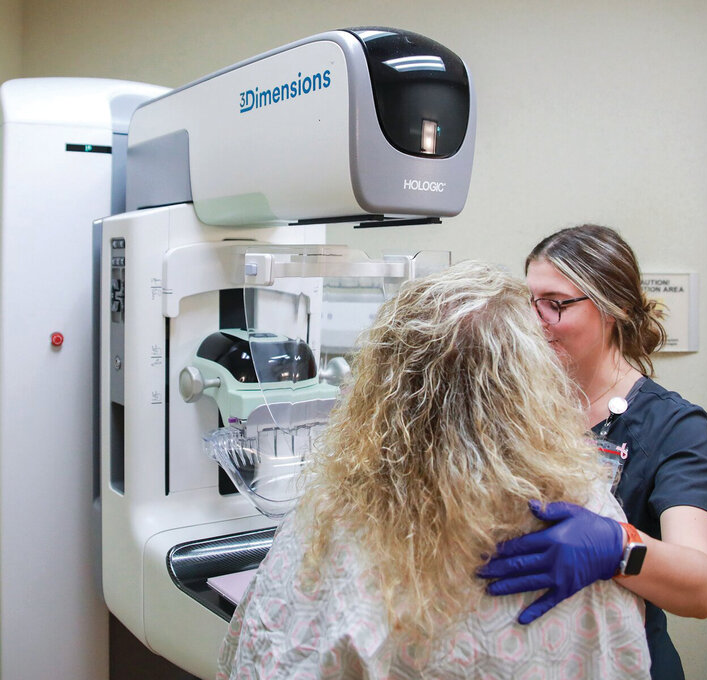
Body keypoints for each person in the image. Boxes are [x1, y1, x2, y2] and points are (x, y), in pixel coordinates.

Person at [218, 260, 650, 679]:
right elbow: (619, 655)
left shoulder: (331, 514)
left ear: (384, 382)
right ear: (531, 380)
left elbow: (266, 653)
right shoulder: (584, 507)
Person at [478, 225, 707, 680]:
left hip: (624, 658)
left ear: (615, 307)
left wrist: (617, 548)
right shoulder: (510, 403)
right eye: (528, 303)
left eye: (556, 303)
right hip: (525, 654)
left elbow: (702, 587)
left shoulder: (672, 425)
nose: (535, 320)